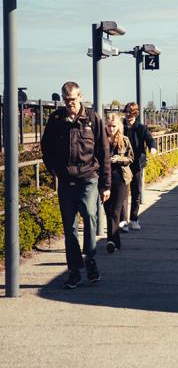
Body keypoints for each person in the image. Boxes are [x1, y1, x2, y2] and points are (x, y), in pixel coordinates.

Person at [41, 81, 111, 289]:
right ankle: (74, 269)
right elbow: (46, 147)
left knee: (89, 215)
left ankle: (90, 258)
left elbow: (104, 152)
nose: (70, 103)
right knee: (69, 226)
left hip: (89, 177)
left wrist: (106, 185)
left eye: (73, 99)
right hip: (66, 180)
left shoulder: (92, 119)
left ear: (81, 97)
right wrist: (53, 169)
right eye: (66, 99)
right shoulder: (56, 120)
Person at [121, 102, 157, 231]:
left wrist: (153, 147)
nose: (127, 115)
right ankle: (123, 221)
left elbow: (149, 139)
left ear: (135, 113)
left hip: (136, 163)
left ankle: (134, 219)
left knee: (136, 192)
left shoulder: (141, 128)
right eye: (126, 112)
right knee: (122, 193)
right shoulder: (121, 126)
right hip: (122, 163)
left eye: (130, 112)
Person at [103, 113, 134, 253]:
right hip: (104, 178)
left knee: (115, 211)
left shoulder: (124, 140)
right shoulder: (100, 139)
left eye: (114, 126)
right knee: (108, 211)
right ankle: (116, 241)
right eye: (109, 126)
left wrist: (119, 159)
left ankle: (110, 240)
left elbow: (130, 158)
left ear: (118, 126)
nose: (111, 129)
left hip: (121, 178)